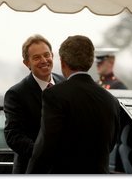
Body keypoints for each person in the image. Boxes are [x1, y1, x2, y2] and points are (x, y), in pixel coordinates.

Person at [26, 35, 120, 174]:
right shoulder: (111, 99)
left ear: (63, 62)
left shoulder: (54, 95)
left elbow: (45, 147)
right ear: (90, 62)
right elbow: (111, 144)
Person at [4, 34, 65, 174]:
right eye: (36, 57)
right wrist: (43, 154)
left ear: (52, 56)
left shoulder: (65, 83)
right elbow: (13, 135)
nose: (44, 60)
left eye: (46, 55)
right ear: (27, 63)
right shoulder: (16, 94)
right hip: (32, 169)